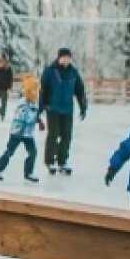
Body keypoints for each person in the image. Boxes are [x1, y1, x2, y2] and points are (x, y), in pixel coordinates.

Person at [38, 47, 87, 175]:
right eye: (64, 57)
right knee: (53, 135)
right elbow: (43, 89)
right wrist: (41, 106)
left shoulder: (73, 72)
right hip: (52, 108)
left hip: (67, 109)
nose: (66, 60)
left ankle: (62, 161)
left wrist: (83, 106)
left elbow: (80, 90)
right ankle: (50, 161)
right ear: (59, 58)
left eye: (68, 57)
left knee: (67, 136)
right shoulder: (50, 71)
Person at [0, 73, 44, 182]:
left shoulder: (34, 102)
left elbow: (33, 115)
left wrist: (39, 120)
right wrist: (34, 118)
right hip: (17, 132)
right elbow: (22, 117)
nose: (37, 92)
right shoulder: (23, 102)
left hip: (28, 133)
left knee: (33, 152)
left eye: (37, 89)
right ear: (28, 90)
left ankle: (28, 173)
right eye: (34, 90)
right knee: (10, 151)